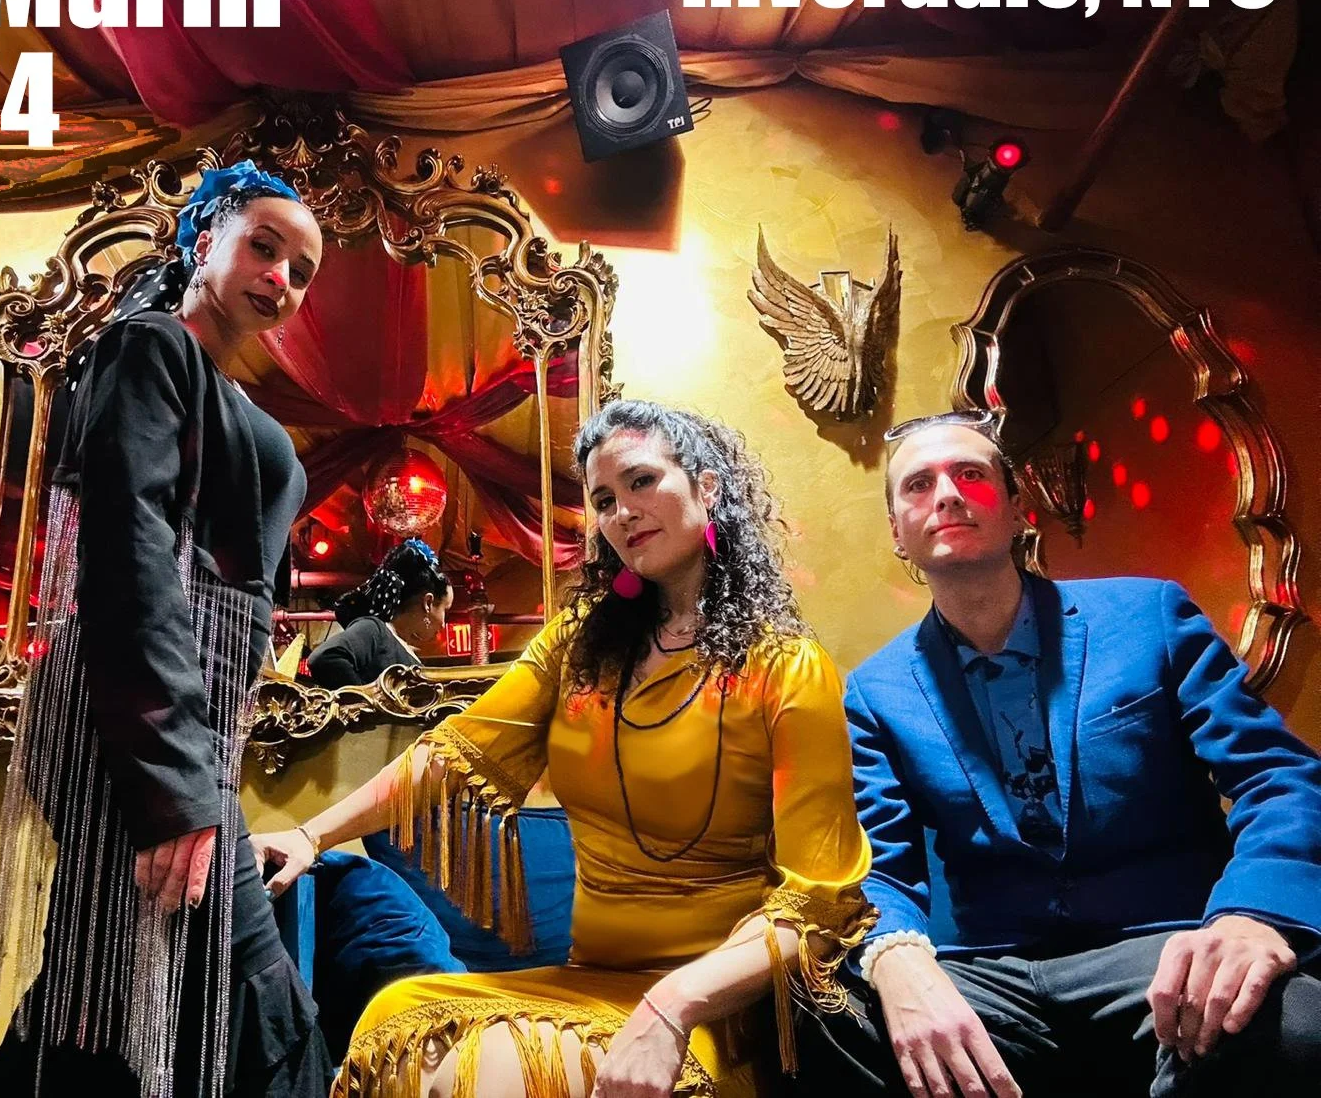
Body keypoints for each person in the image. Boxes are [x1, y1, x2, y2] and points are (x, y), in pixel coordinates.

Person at [254, 398, 876, 1098]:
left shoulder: (788, 669)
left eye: (642, 481)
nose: (623, 512)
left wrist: (674, 1004)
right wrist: (309, 834)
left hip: (714, 1000)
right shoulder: (579, 648)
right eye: (604, 500)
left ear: (707, 486)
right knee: (399, 1028)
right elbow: (450, 756)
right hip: (586, 982)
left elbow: (820, 904)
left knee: (487, 1072)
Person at [806, 409, 1321, 1098]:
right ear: (898, 532)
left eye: (970, 474)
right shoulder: (875, 690)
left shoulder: (1148, 615)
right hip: (991, 976)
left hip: (1163, 947)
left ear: (1018, 507)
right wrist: (895, 956)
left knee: (1294, 1023)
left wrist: (1253, 915)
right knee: (825, 1015)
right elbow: (876, 865)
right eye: (918, 485)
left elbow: (1278, 778)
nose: (948, 495)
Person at [0, 162, 331, 1098]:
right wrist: (174, 784)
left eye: (301, 272)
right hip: (128, 724)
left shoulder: (222, 390)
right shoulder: (149, 346)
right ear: (203, 239)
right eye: (264, 247)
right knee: (234, 994)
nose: (281, 279)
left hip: (176, 723)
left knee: (108, 992)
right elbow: (128, 554)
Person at [306, 538, 454, 687]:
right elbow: (325, 657)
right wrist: (365, 697)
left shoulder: (407, 653)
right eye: (445, 610)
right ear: (428, 602)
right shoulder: (375, 630)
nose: (443, 623)